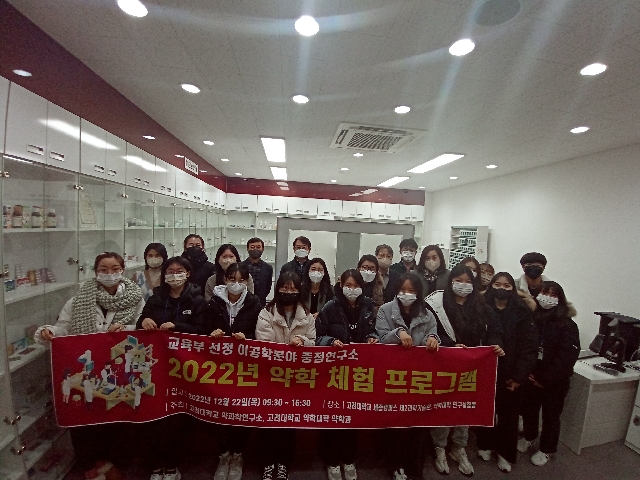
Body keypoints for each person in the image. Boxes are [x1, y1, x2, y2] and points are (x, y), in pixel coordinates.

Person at [34, 252, 144, 480]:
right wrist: (49, 331)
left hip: (119, 368)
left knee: (117, 413)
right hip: (87, 368)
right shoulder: (79, 299)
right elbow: (64, 327)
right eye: (103, 269)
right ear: (95, 272)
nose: (109, 274)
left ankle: (114, 461)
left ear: (123, 270)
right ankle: (90, 462)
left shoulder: (135, 298)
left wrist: (125, 329)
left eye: (115, 269)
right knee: (86, 415)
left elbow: (143, 327)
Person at [424, 264, 505, 476]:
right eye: (459, 280)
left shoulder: (482, 306)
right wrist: (450, 345)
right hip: (445, 364)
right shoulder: (438, 305)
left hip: (472, 367)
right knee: (443, 406)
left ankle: (459, 447)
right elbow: (431, 330)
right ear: (450, 281)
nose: (464, 285)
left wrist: (495, 344)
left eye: (468, 282)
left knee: (465, 406)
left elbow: (495, 331)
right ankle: (440, 447)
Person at [136, 256, 208, 480]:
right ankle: (156, 464)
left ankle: (172, 465)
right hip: (156, 367)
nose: (174, 275)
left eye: (179, 271)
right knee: (155, 416)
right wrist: (143, 322)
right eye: (170, 271)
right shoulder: (156, 298)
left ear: (188, 273)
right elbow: (141, 321)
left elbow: (202, 330)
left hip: (184, 368)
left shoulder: (197, 300)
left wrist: (178, 327)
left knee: (178, 419)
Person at [376, 272, 440, 480]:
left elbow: (433, 333)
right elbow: (381, 338)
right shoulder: (385, 310)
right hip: (393, 377)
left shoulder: (427, 313)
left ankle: (415, 467)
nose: (407, 294)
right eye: (403, 290)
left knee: (418, 424)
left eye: (411, 290)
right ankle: (395, 465)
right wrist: (398, 334)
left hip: (418, 379)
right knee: (396, 424)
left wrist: (432, 338)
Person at [315, 269, 378, 480]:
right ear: (341, 286)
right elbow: (318, 336)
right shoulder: (330, 307)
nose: (352, 289)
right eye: (348, 285)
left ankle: (348, 458)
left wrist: (371, 337)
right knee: (334, 417)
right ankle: (332, 460)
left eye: (356, 286)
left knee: (352, 417)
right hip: (335, 371)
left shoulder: (368, 307)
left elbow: (374, 330)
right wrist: (330, 342)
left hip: (358, 372)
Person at [255, 271, 316, 480]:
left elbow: (313, 341)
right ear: (277, 288)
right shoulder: (266, 313)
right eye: (284, 287)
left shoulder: (307, 316)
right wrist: (286, 349)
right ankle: (267, 462)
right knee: (269, 422)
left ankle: (283, 463)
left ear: (299, 291)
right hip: (270, 377)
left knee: (288, 423)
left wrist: (302, 341)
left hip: (295, 379)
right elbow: (264, 343)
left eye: (293, 288)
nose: (288, 292)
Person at [475, 272, 538, 472]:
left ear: (513, 289)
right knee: (485, 411)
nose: (501, 288)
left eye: (507, 285)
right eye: (497, 284)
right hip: (485, 371)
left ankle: (505, 453)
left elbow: (529, 347)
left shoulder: (522, 311)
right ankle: (485, 444)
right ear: (491, 285)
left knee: (509, 416)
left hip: (511, 372)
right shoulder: (480, 307)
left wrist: (519, 376)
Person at [206, 263, 263, 480]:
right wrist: (212, 333)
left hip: (243, 368)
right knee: (217, 412)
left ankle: (238, 455)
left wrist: (247, 337)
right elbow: (202, 329)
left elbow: (259, 333)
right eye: (232, 279)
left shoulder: (254, 303)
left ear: (247, 282)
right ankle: (224, 455)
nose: (236, 284)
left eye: (241, 280)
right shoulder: (214, 302)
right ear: (225, 280)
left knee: (240, 412)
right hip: (218, 368)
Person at [518, 281, 580, 467]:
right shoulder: (532, 318)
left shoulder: (567, 324)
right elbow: (525, 347)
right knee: (529, 411)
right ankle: (529, 437)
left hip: (555, 381)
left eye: (554, 295)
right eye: (545, 293)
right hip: (531, 376)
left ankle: (547, 449)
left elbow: (567, 356)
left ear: (560, 299)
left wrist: (544, 379)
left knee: (551, 416)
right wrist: (528, 372)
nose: (548, 298)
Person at [241, 237, 273, 306]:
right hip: (242, 302)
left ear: (263, 249)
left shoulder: (268, 268)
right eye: (252, 247)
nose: (255, 249)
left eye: (258, 247)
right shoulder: (240, 266)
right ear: (247, 249)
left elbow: (268, 287)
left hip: (260, 303)